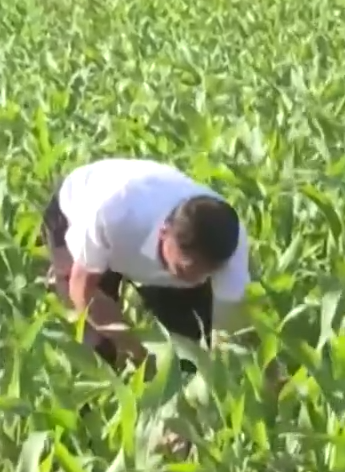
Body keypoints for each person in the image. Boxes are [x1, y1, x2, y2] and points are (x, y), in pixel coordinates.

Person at [39, 158, 251, 371]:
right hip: (79, 212)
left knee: (188, 353)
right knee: (94, 346)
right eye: (185, 270)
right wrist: (134, 350)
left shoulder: (231, 244)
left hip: (140, 246)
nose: (195, 279)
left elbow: (229, 332)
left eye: (205, 274)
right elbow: (83, 291)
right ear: (164, 232)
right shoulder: (116, 215)